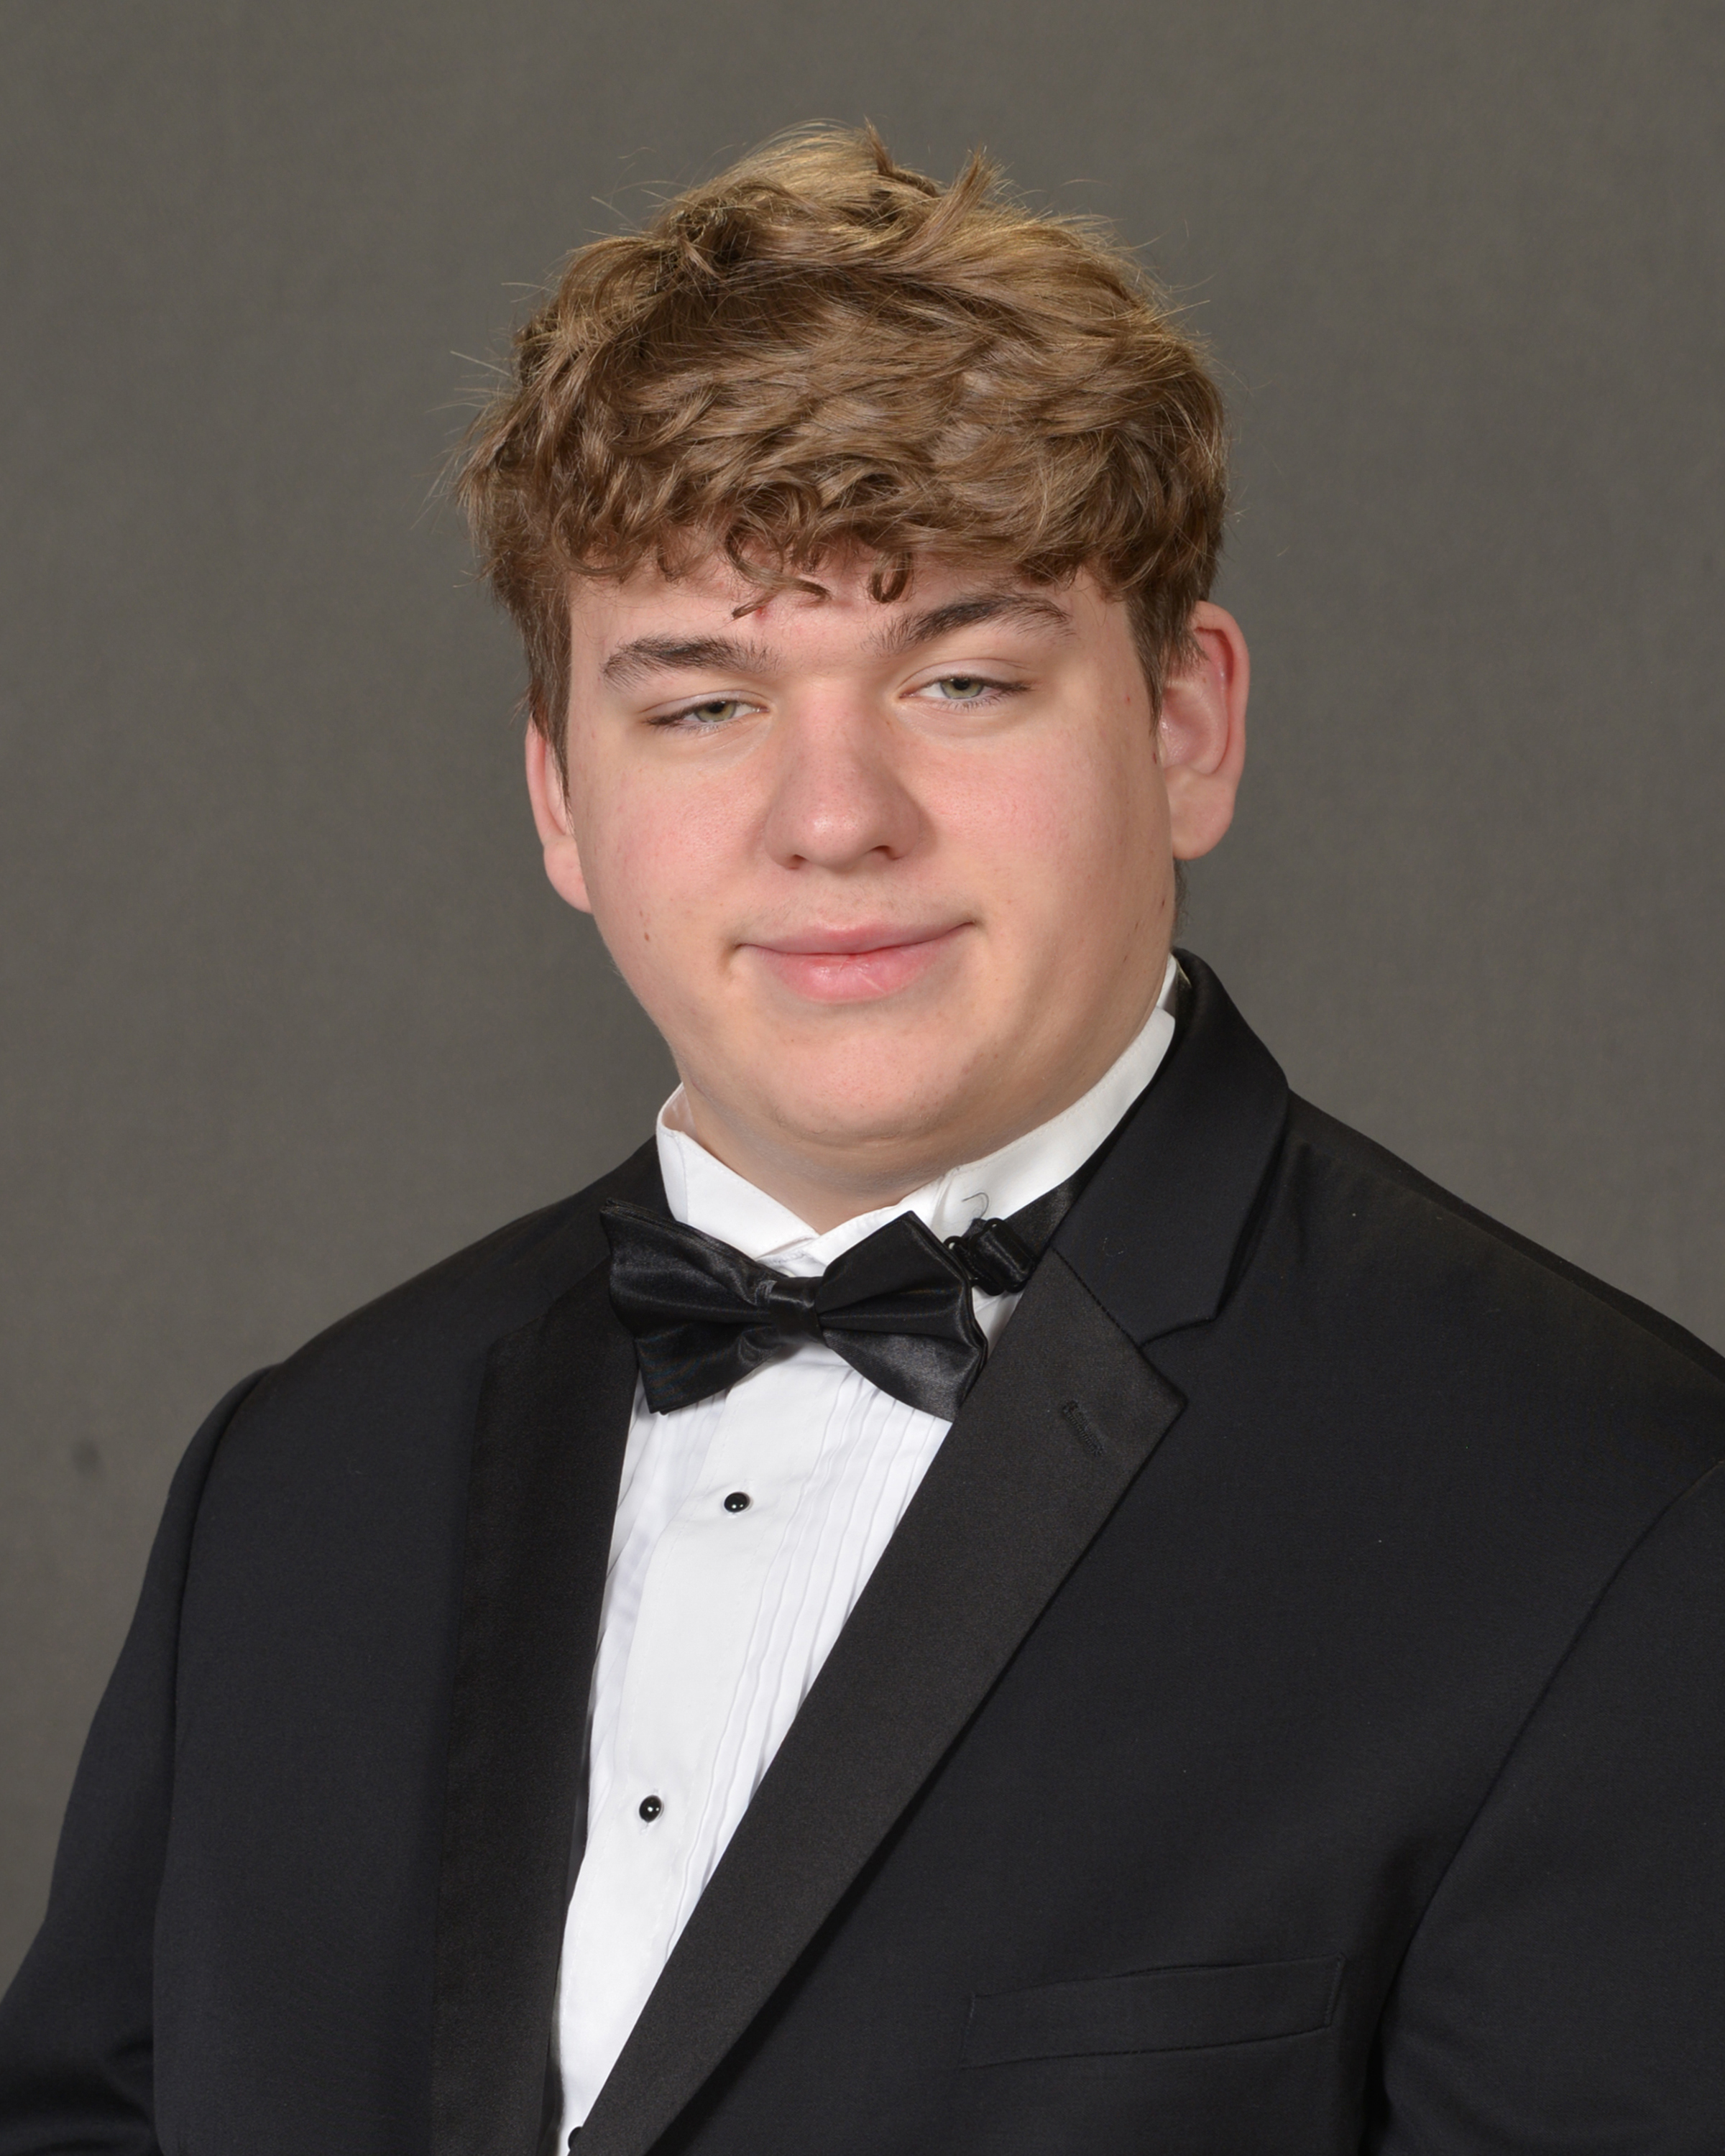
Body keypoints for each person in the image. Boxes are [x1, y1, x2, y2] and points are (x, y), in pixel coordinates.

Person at [1, 124, 1720, 2156]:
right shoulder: (295, 1484)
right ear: (558, 799)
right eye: (702, 706)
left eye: (964, 678)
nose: (834, 820)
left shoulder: (1613, 1512)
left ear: (1187, 726)